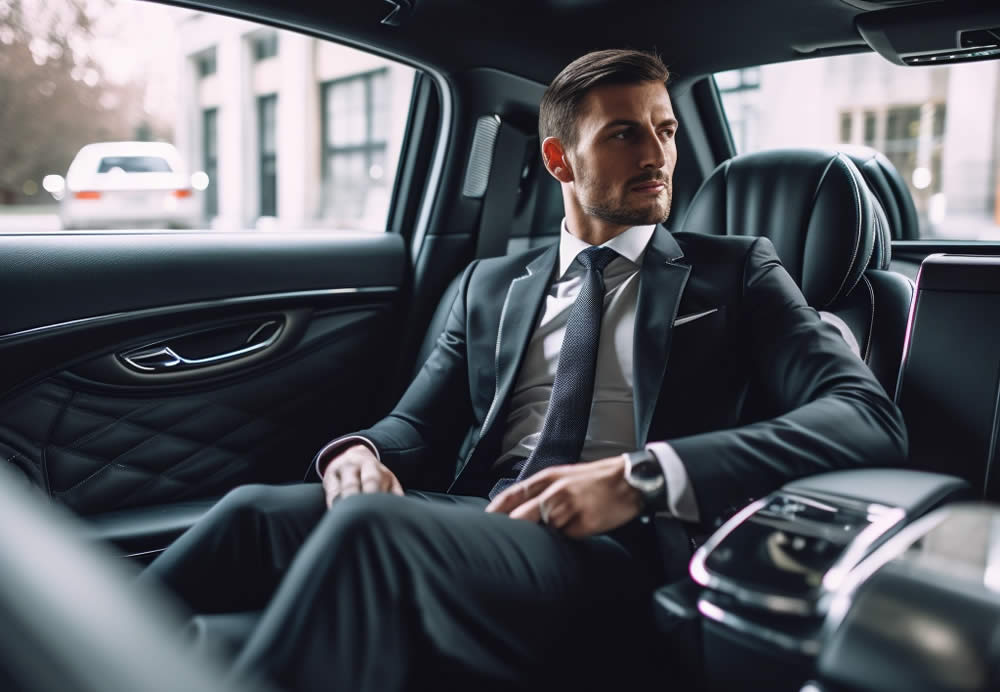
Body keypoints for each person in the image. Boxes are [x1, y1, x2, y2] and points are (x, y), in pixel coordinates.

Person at [141, 49, 907, 691]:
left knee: (376, 531)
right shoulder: (490, 284)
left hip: (619, 550)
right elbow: (416, 421)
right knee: (249, 512)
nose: (658, 155)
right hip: (480, 515)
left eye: (665, 132)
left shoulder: (737, 274)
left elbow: (867, 417)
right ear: (557, 157)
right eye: (624, 135)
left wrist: (640, 477)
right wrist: (359, 454)